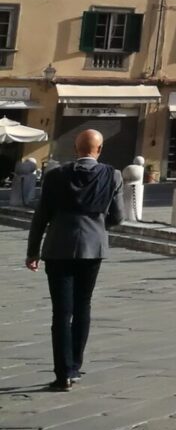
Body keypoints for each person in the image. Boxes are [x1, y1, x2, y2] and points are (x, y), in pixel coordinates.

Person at [24, 129, 125, 391]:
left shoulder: (55, 175)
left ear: (75, 148)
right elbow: (118, 217)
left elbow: (41, 216)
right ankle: (75, 367)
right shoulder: (112, 175)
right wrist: (98, 225)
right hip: (93, 248)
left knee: (61, 312)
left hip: (58, 247)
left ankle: (62, 374)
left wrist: (32, 251)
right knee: (83, 306)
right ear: (99, 150)